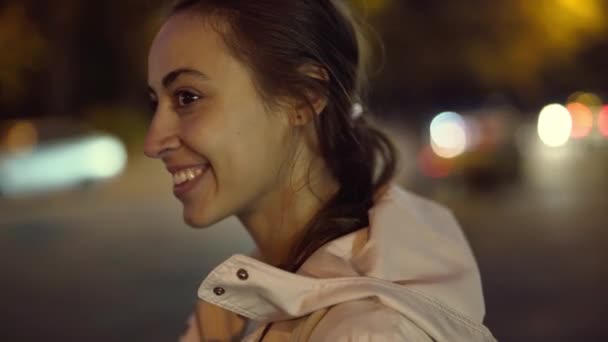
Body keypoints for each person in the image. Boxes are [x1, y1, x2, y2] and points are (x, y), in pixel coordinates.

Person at [144, 0, 497, 341]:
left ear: (304, 96)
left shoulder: (365, 333)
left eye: (187, 97)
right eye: (154, 102)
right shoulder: (246, 303)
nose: (153, 142)